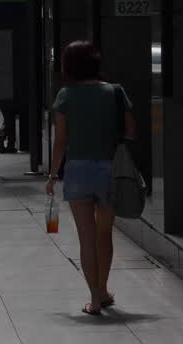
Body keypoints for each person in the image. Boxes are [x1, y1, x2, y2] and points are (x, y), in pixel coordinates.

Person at [46, 40, 135, 316]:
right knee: (104, 234)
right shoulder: (115, 92)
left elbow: (61, 141)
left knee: (86, 238)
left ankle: (95, 299)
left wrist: (52, 175)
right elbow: (131, 131)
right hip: (109, 170)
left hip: (78, 171)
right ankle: (105, 289)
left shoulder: (66, 95)